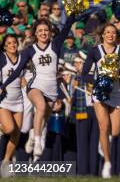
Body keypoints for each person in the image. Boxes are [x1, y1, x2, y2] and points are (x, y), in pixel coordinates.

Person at [0, 15, 75, 159]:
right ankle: (39, 142)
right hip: (34, 86)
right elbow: (17, 70)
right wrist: (4, 85)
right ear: (35, 33)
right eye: (40, 30)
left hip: (51, 89)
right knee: (40, 107)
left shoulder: (55, 44)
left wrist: (73, 14)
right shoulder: (30, 50)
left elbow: (66, 29)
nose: (43, 33)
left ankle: (34, 136)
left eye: (46, 30)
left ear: (50, 32)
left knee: (44, 117)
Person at [82, 23, 120, 178]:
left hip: (116, 93)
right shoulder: (94, 51)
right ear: (103, 35)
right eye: (108, 32)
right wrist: (98, 80)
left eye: (113, 33)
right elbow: (84, 74)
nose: (111, 35)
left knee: (115, 131)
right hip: (99, 92)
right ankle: (107, 162)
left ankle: (104, 144)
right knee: (104, 127)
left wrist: (119, 75)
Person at [0, 34, 23, 176]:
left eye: (14, 42)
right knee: (9, 129)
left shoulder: (22, 58)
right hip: (4, 100)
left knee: (16, 134)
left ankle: (6, 162)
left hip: (18, 100)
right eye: (9, 43)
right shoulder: (2, 58)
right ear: (4, 46)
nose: (12, 45)